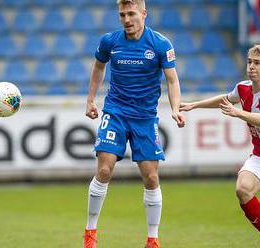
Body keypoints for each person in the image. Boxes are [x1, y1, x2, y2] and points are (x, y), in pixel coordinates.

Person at [83, 0, 185, 247]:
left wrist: (175, 108)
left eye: (131, 14)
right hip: (115, 112)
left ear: (143, 14)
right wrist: (90, 100)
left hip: (145, 117)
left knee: (151, 177)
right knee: (104, 170)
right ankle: (90, 233)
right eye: (122, 15)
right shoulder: (110, 41)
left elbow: (172, 80)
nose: (127, 19)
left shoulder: (160, 44)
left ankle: (152, 238)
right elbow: (98, 67)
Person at [180, 44, 260, 233]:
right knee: (243, 189)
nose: (251, 67)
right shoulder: (243, 88)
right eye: (249, 62)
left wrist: (238, 113)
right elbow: (225, 99)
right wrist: (195, 105)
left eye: (257, 63)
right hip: (259, 154)